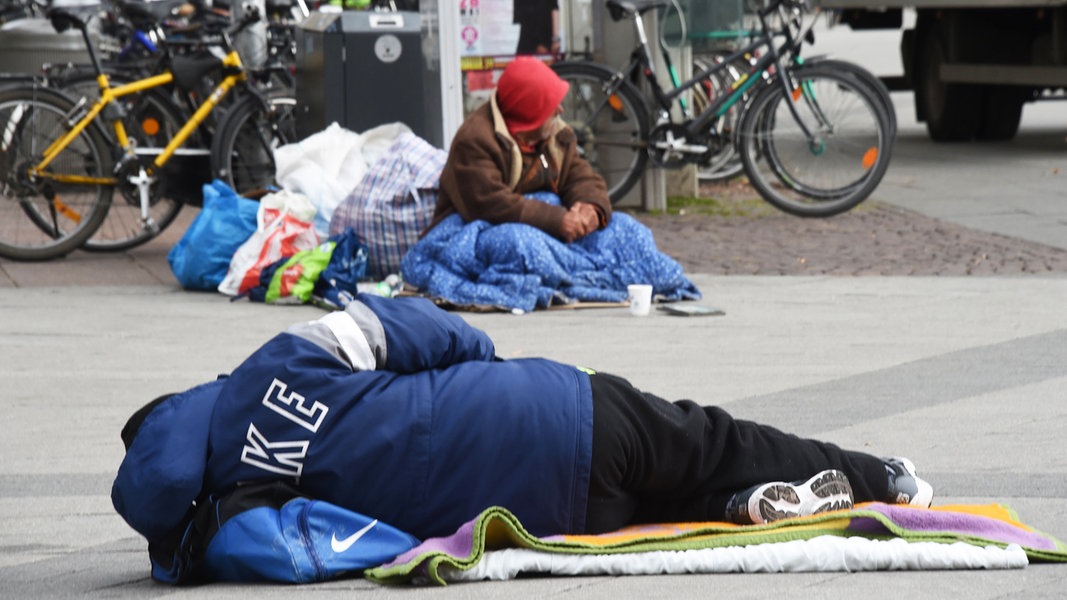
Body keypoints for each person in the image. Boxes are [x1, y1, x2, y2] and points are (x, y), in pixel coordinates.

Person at [113, 294, 934, 549]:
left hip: (538, 517)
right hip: (551, 409)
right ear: (189, 404)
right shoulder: (271, 369)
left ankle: (731, 514)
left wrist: (183, 559)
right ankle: (880, 476)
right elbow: (419, 328)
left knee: (646, 515)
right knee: (712, 441)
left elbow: (332, 554)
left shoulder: (241, 515)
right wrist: (486, 366)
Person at [425, 56, 611, 244]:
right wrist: (558, 220)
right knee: (520, 243)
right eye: (550, 105)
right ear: (529, 114)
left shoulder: (555, 134)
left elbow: (578, 173)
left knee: (623, 230)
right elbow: (490, 204)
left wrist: (591, 205)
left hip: (540, 227)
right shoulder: (475, 141)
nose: (560, 110)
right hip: (473, 233)